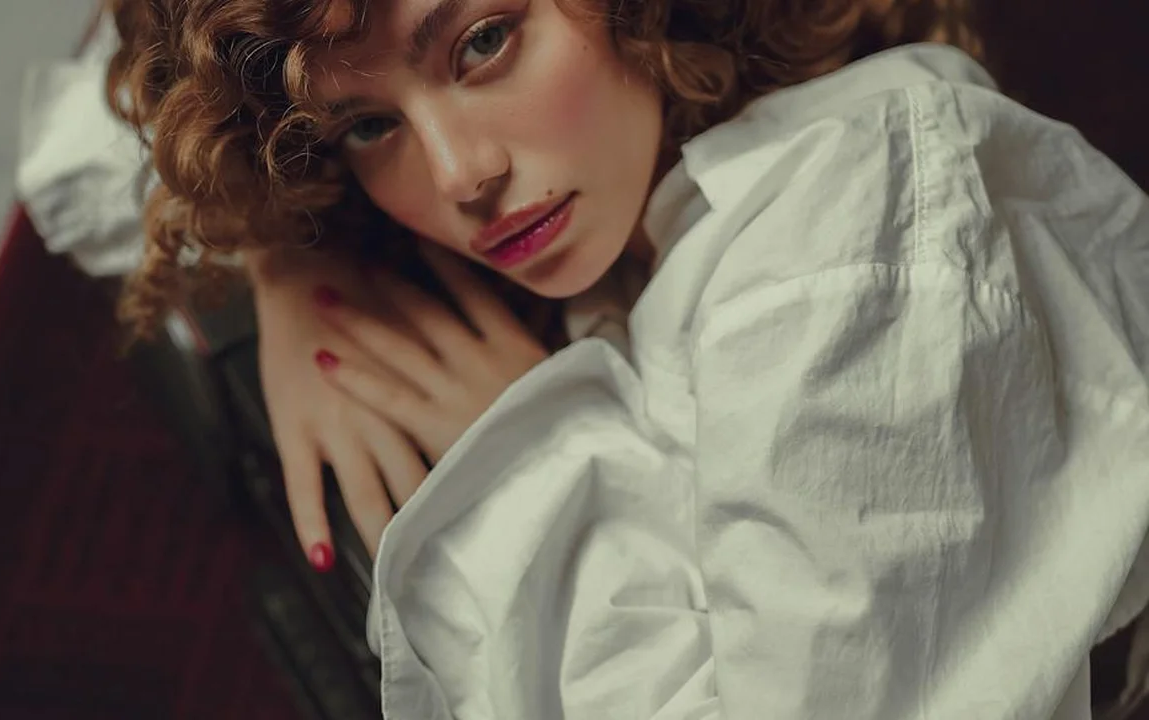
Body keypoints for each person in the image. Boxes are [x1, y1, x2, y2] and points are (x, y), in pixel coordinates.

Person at [104, 0, 1149, 716]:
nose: (461, 174)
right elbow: (78, 125)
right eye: (368, 126)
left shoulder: (838, 244)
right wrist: (281, 254)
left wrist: (535, 462)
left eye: (482, 44)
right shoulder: (645, 184)